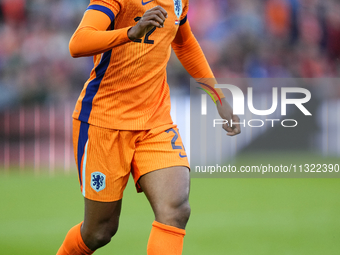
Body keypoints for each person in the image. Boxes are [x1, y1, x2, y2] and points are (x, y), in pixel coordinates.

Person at [57, 0, 240, 254]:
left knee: (175, 209)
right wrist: (130, 33)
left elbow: (185, 43)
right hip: (105, 121)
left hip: (155, 121)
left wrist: (217, 96)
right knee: (99, 231)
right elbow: (78, 43)